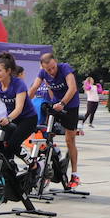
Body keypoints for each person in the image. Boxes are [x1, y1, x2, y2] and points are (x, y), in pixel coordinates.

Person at [27, 52, 81, 187]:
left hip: (70, 106)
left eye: (53, 67)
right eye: (48, 69)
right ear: (42, 68)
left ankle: (75, 175)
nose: (51, 71)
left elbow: (73, 88)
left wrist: (62, 103)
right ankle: (46, 167)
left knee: (70, 140)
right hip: (55, 105)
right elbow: (34, 88)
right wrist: (24, 104)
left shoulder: (65, 68)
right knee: (43, 135)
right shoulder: (43, 73)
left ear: (55, 62)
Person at [0, 52, 36, 158]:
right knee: (1, 148)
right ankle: (10, 171)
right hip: (11, 119)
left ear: (8, 71)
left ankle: (33, 164)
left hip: (27, 119)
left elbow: (19, 108)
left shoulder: (18, 84)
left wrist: (8, 118)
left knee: (12, 145)